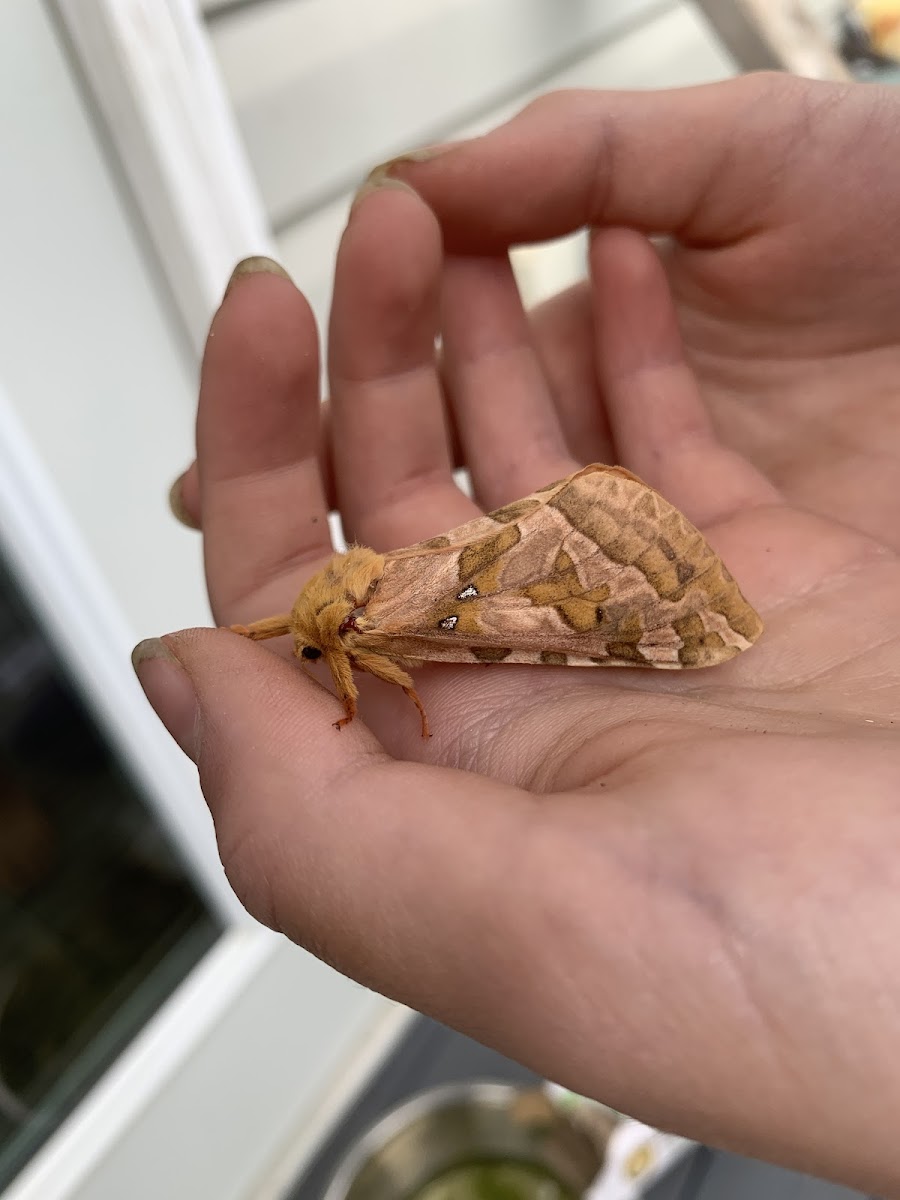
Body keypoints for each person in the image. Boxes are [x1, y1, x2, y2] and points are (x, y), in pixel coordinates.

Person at [132, 71, 900, 1193]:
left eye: (320, 652)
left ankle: (645, 592)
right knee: (494, 592)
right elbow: (313, 634)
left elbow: (368, 672)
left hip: (456, 592)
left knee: (524, 617)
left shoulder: (365, 629)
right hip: (450, 575)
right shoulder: (348, 610)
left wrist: (357, 694)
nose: (326, 666)